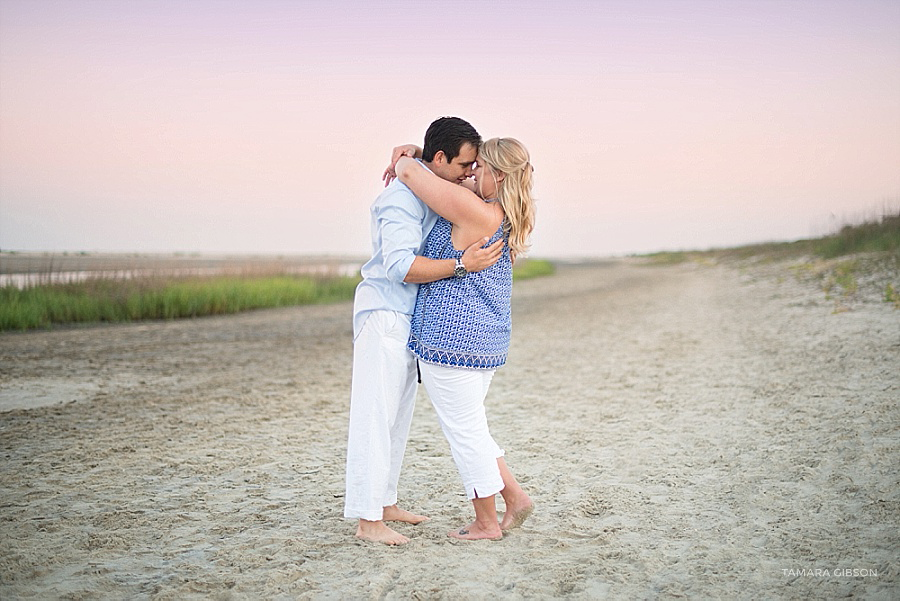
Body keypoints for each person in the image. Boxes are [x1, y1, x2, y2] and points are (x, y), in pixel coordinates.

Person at [344, 117, 503, 545]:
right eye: (465, 165)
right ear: (440, 159)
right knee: (374, 417)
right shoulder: (400, 200)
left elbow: (453, 184)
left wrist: (410, 154)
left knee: (397, 416)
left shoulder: (426, 186)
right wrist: (460, 266)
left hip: (408, 319)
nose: (469, 174)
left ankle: (386, 501)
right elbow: (399, 267)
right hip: (384, 314)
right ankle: (366, 520)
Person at [388, 136, 536, 540]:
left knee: (465, 434)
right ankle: (515, 498)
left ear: (499, 175)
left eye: (480, 168)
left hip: (452, 341)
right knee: (473, 426)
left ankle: (486, 522)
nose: (472, 173)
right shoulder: (505, 213)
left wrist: (408, 157)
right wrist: (422, 155)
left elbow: (407, 174)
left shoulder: (476, 211)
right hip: (482, 340)